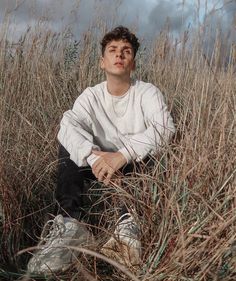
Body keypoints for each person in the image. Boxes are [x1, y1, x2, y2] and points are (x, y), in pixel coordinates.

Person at [27, 26, 175, 275]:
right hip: (96, 164)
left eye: (126, 51)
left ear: (133, 63)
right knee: (69, 143)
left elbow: (165, 129)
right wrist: (96, 156)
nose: (119, 55)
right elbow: (68, 126)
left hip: (134, 167)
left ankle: (127, 228)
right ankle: (71, 225)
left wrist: (121, 155)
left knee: (153, 156)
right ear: (102, 62)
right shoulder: (90, 96)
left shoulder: (147, 93)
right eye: (113, 50)